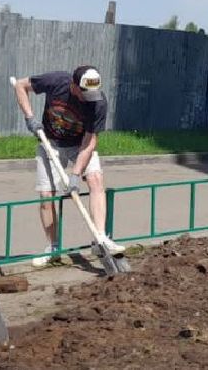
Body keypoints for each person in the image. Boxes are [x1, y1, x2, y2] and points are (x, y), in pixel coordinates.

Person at [13, 66, 125, 266]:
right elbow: (21, 85)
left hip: (80, 145)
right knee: (47, 195)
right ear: (74, 85)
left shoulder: (98, 102)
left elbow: (90, 142)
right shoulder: (56, 81)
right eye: (84, 93)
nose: (87, 98)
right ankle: (53, 248)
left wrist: (75, 174)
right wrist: (30, 118)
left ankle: (101, 238)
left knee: (96, 178)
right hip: (51, 143)